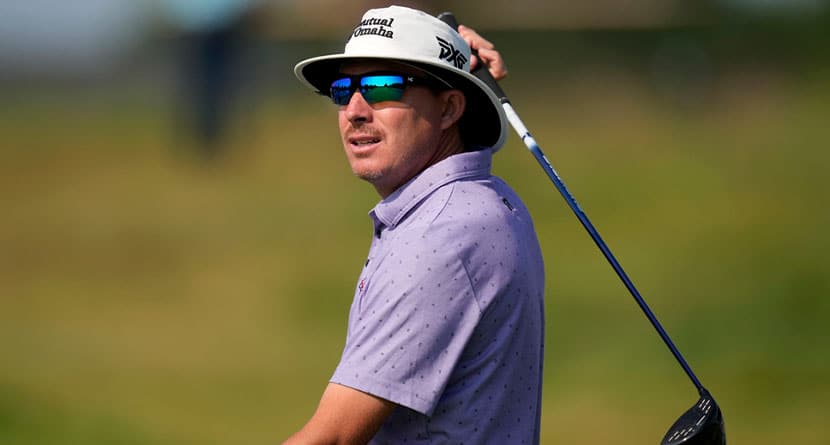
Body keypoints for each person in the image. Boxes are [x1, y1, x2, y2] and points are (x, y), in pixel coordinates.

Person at [286, 5, 545, 444]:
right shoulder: (483, 203)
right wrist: (454, 54)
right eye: (342, 90)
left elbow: (331, 439)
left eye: (383, 86)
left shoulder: (441, 236)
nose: (355, 110)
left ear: (449, 109)